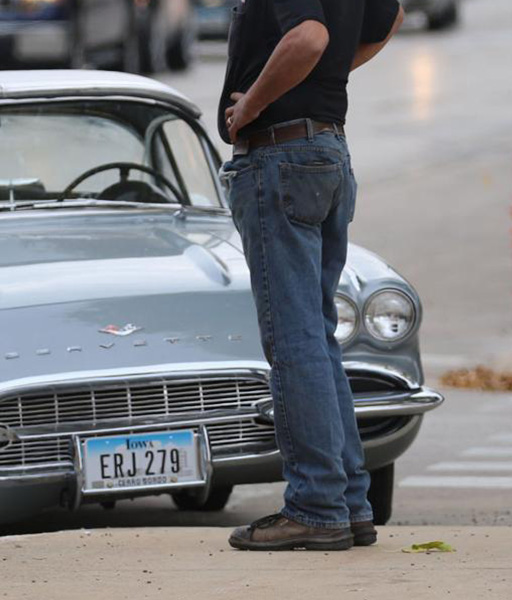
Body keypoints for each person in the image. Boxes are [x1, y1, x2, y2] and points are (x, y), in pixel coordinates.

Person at [218, 0, 404, 551]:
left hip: (281, 155)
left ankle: (317, 506)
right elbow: (387, 18)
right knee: (316, 338)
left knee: (295, 340)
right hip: (325, 150)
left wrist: (251, 104)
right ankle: (348, 503)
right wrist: (323, 81)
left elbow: (309, 38)